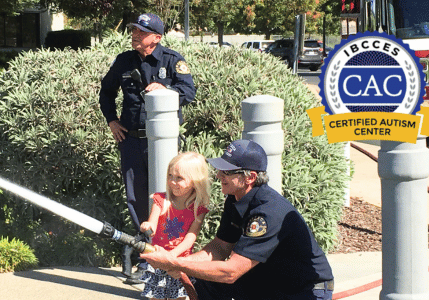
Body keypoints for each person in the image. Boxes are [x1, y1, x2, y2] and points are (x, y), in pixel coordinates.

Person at [141, 140, 334, 300]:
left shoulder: (267, 213)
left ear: (249, 177)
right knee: (203, 281)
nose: (218, 175)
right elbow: (220, 247)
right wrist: (177, 262)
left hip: (303, 290)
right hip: (268, 280)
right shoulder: (235, 199)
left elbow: (231, 272)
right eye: (220, 169)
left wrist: (177, 264)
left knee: (213, 276)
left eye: (226, 172)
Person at [99, 13, 196, 283]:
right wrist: (112, 121)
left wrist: (164, 87)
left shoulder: (171, 60)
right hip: (130, 141)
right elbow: (106, 92)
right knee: (137, 199)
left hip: (163, 143)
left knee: (167, 197)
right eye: (134, 31)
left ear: (156, 37)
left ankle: (172, 256)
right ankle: (147, 257)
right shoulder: (124, 60)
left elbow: (189, 92)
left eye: (141, 32)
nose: (135, 35)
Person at [139, 152, 211, 300]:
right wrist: (148, 226)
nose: (172, 182)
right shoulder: (161, 199)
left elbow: (190, 238)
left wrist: (172, 257)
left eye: (179, 178)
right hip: (157, 259)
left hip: (180, 262)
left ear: (195, 181)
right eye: (170, 176)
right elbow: (152, 222)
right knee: (155, 296)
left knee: (178, 297)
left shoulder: (198, 208)